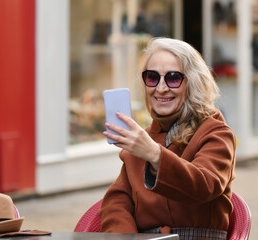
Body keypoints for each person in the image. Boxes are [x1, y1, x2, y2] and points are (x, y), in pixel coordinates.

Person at [100, 37, 236, 240]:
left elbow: (204, 185)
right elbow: (117, 202)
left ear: (193, 82)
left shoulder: (216, 132)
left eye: (173, 78)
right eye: (152, 77)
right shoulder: (143, 138)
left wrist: (154, 155)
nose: (161, 88)